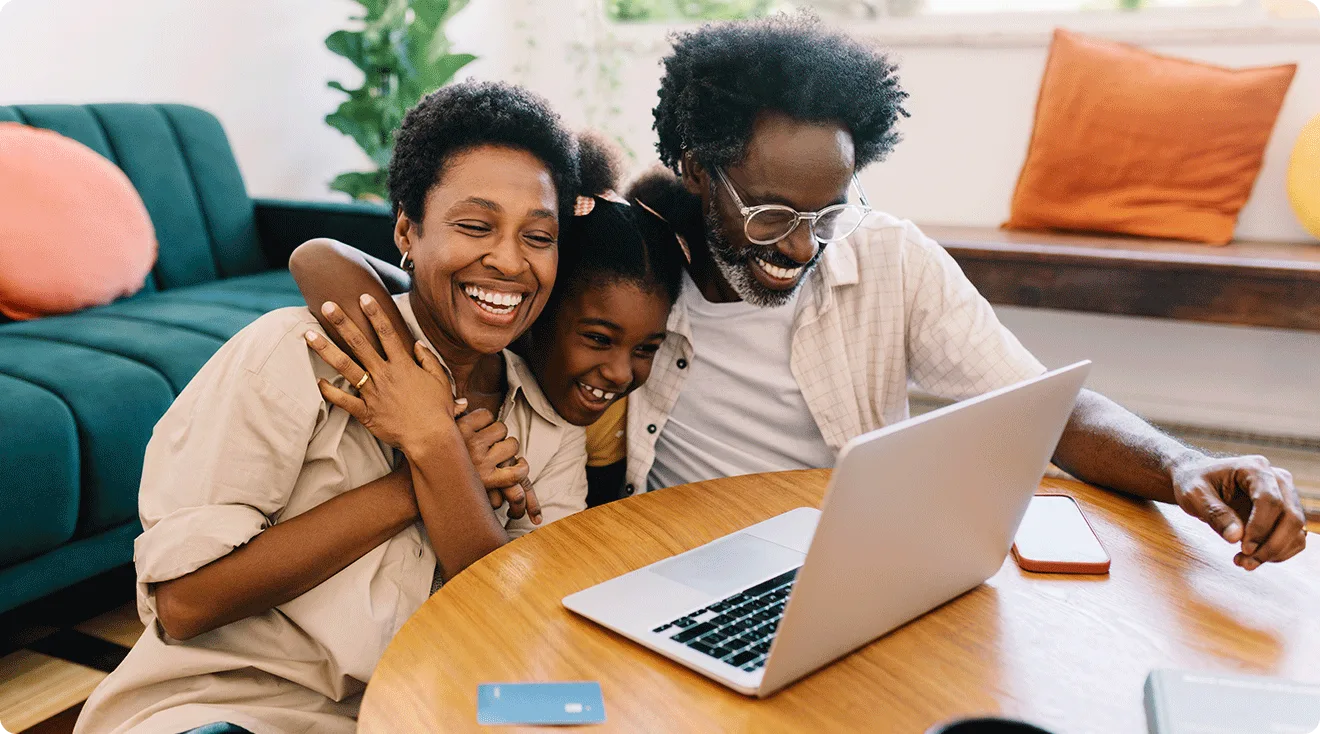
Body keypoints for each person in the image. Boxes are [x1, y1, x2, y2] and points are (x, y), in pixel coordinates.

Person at [622, 14, 1306, 570]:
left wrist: (1186, 464)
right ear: (697, 173)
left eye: (825, 215)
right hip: (685, 562)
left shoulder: (888, 255)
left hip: (849, 566)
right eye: (771, 216)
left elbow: (1046, 409)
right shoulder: (627, 273)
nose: (801, 249)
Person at [76, 81, 588, 734]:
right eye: (475, 226)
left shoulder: (546, 431)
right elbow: (184, 604)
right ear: (407, 227)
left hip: (418, 716)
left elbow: (516, 625)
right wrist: (425, 470)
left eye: (538, 237)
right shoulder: (290, 355)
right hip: (230, 712)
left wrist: (437, 447)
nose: (510, 260)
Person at [290, 134, 688, 507]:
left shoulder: (606, 413)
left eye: (646, 348)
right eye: (599, 339)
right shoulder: (477, 324)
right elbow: (317, 257)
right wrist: (431, 408)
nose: (620, 373)